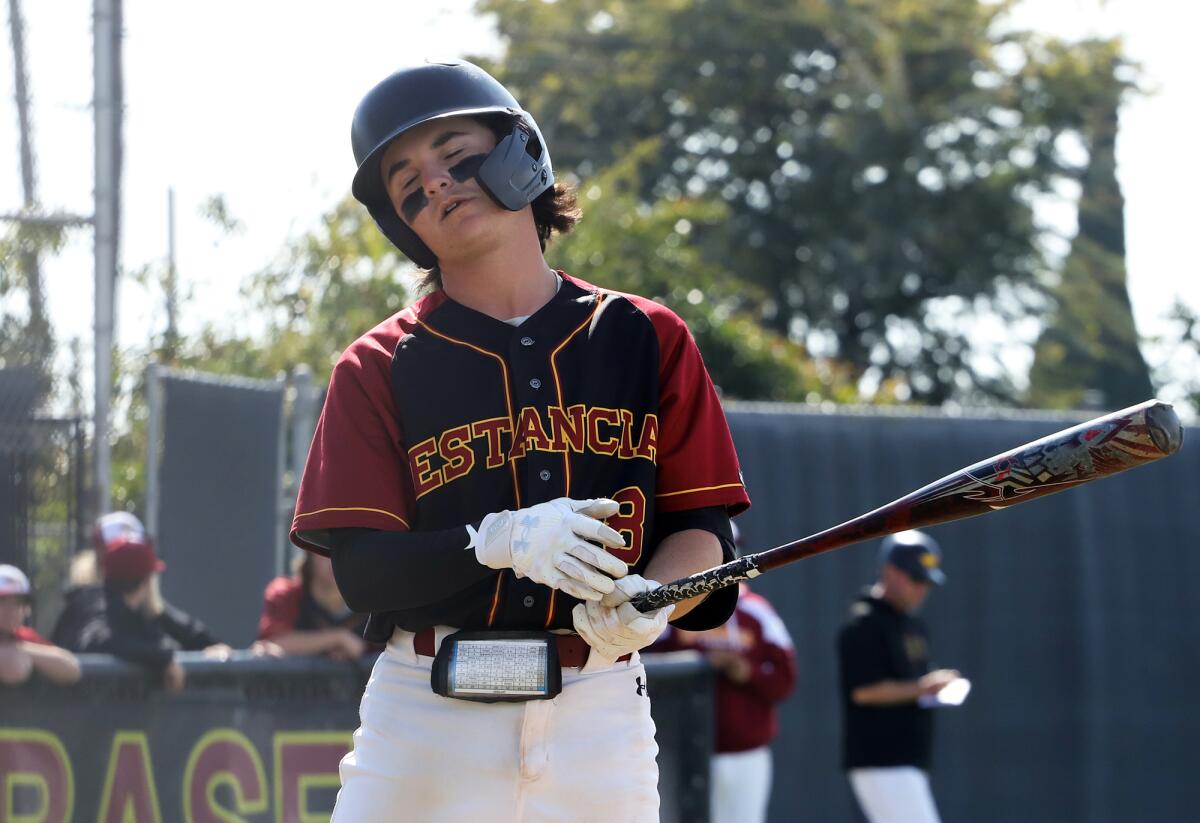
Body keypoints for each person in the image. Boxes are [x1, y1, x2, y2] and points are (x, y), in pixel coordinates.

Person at [290, 59, 750, 821]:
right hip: (429, 712)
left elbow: (706, 533)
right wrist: (491, 541)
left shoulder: (646, 335)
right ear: (398, 219)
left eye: (453, 151)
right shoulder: (375, 365)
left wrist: (654, 598)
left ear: (519, 152)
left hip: (599, 708)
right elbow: (365, 574)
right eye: (405, 176)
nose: (432, 181)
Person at [652, 524, 796, 823]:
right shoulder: (675, 609)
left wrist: (747, 671)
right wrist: (698, 661)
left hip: (744, 752)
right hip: (681, 754)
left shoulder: (757, 611)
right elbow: (644, 663)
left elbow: (785, 680)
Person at [53, 512, 279, 691]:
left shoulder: (149, 610)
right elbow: (98, 641)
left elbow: (200, 639)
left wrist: (220, 654)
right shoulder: (87, 603)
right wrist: (163, 659)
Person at [837, 530, 961, 823]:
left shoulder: (910, 623)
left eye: (926, 582)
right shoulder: (863, 621)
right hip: (881, 759)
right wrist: (922, 688)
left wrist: (933, 685)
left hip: (908, 758)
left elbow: (913, 679)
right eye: (916, 579)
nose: (922, 589)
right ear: (889, 571)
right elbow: (863, 691)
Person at [257, 551, 372, 659]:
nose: (335, 559)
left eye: (346, 551)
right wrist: (338, 638)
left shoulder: (374, 603)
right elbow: (271, 644)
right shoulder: (286, 594)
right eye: (325, 550)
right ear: (309, 553)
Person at [0, 563, 81, 686]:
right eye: (2, 601)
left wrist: (21, 650)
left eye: (20, 602)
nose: (12, 609)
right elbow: (14, 670)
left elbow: (72, 669)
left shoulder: (21, 637)